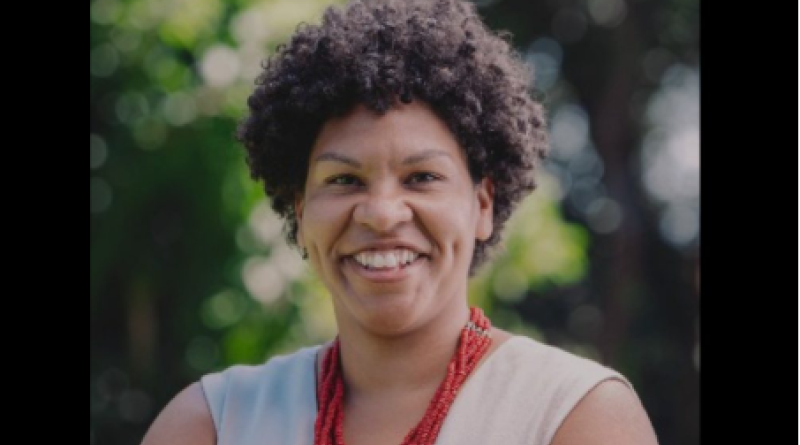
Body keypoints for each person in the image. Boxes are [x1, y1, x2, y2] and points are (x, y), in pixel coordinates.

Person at [141, 0, 659, 444]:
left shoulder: (573, 415)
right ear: (300, 211)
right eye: (344, 180)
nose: (382, 213)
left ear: (482, 205)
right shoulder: (213, 424)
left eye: (422, 177)